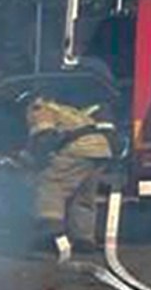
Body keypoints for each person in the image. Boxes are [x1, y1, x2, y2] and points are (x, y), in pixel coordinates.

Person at [25, 94, 116, 249]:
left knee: (52, 185)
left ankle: (50, 234)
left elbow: (45, 137)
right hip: (100, 150)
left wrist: (31, 157)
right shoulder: (68, 110)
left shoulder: (40, 109)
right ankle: (83, 240)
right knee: (83, 195)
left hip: (77, 149)